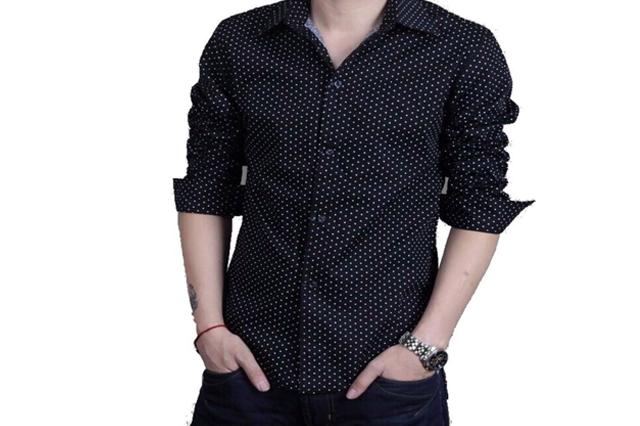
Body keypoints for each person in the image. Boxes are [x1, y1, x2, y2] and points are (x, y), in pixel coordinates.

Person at [172, 0, 535, 424]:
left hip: (390, 378)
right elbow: (207, 189)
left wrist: (425, 347)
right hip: (248, 370)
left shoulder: (462, 47)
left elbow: (479, 204)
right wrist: (209, 328)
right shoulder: (240, 40)